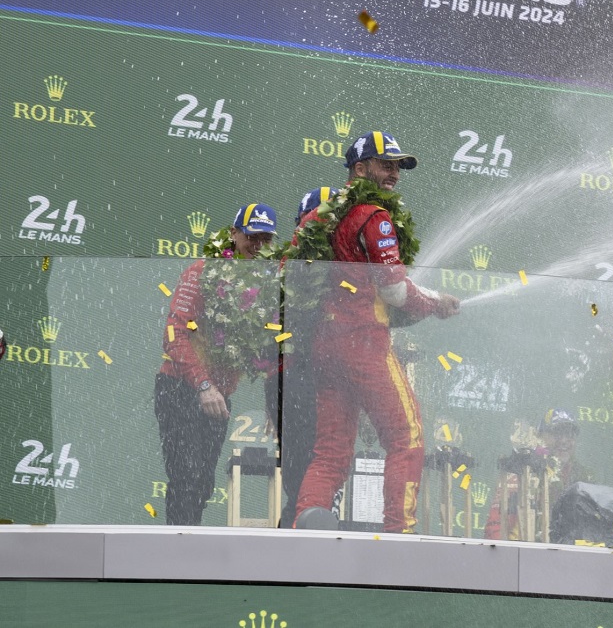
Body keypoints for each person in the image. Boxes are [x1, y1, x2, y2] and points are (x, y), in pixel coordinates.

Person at [294, 132, 460, 533]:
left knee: (331, 452)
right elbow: (394, 291)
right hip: (364, 343)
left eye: (398, 167)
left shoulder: (318, 217)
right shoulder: (373, 216)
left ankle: (304, 528)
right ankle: (398, 535)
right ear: (360, 168)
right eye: (386, 165)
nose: (395, 174)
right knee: (407, 437)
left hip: (323, 346)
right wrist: (435, 303)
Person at [155, 203, 279, 526]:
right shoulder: (203, 272)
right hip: (180, 388)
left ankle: (186, 547)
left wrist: (274, 400)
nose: (258, 245)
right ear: (234, 234)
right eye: (252, 236)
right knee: (186, 477)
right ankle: (177, 551)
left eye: (266, 239)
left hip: (219, 398)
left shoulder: (266, 285)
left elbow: (271, 342)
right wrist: (203, 384)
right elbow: (173, 334)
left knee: (203, 485)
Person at [266, 187, 336, 527]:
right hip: (294, 377)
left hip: (317, 379)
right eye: (320, 221)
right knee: (301, 472)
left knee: (316, 470)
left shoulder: (339, 266)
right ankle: (295, 532)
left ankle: (296, 530)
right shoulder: (295, 263)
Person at [484, 408, 594, 541]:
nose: (564, 440)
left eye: (570, 434)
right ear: (540, 437)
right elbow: (496, 528)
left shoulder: (585, 479)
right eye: (557, 433)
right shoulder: (522, 472)